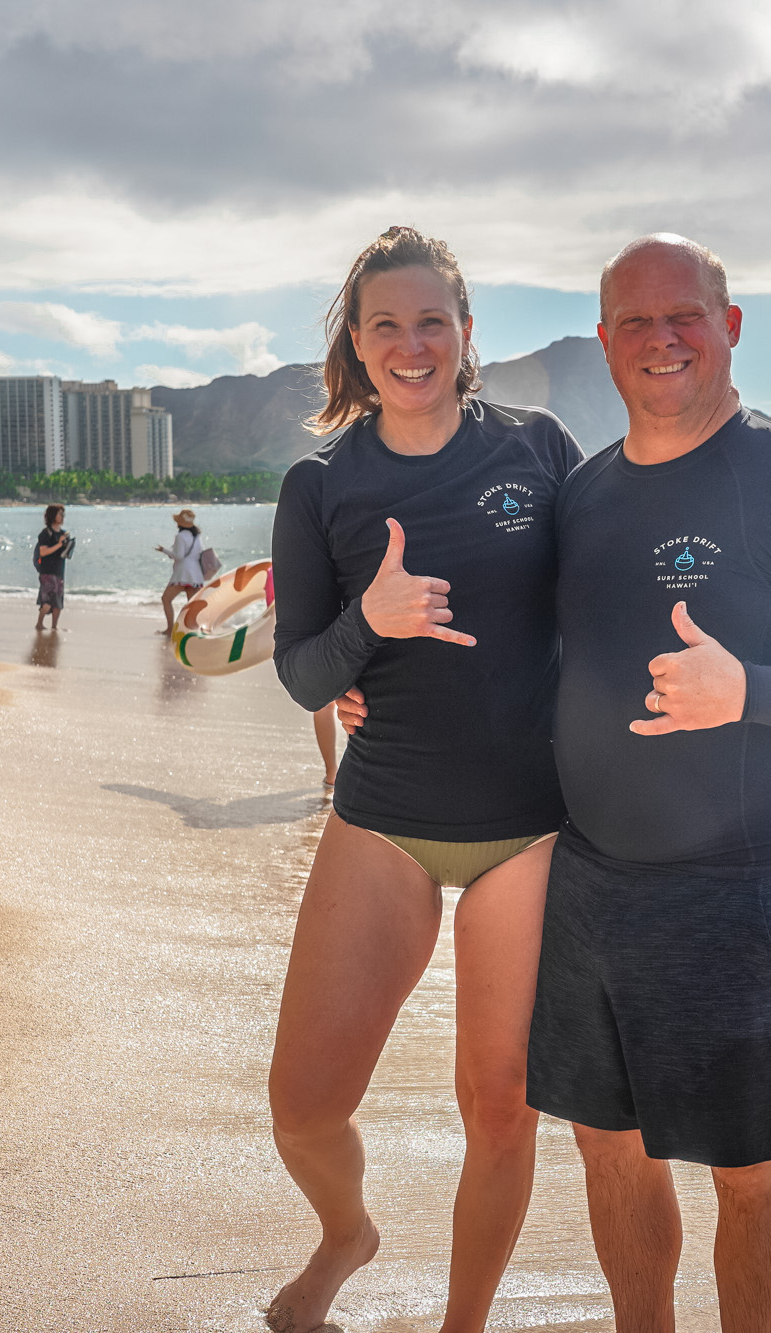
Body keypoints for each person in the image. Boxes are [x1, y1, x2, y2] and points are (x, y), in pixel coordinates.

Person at [529, 235, 771, 1333]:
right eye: (635, 322)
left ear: (730, 325)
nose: (662, 339)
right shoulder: (585, 495)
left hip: (742, 890)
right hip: (588, 882)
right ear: (604, 342)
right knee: (605, 1148)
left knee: (745, 1169)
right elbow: (540, 656)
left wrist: (745, 686)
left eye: (684, 315)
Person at [264, 225, 583, 1333]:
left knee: (498, 1105)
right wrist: (370, 622)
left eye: (431, 321)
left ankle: (463, 1324)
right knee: (303, 1109)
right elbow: (299, 666)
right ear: (355, 343)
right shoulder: (320, 486)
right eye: (386, 325)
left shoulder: (538, 448)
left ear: (463, 331)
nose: (411, 344)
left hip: (531, 829)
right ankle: (346, 1233)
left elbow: (607, 602)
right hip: (386, 817)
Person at [157, 508, 216, 633]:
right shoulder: (197, 536)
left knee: (166, 599)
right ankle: (198, 628)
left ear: (179, 523)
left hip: (183, 574)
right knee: (193, 604)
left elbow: (179, 556)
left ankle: (170, 629)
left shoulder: (180, 536)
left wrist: (164, 551)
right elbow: (199, 553)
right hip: (196, 574)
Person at [33, 505, 72, 632]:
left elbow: (66, 554)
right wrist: (59, 544)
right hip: (47, 571)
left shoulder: (63, 533)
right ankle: (39, 623)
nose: (62, 517)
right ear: (52, 515)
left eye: (63, 514)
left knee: (58, 602)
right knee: (47, 600)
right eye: (60, 514)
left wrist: (68, 545)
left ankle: (54, 626)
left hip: (59, 570)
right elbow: (43, 552)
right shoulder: (45, 533)